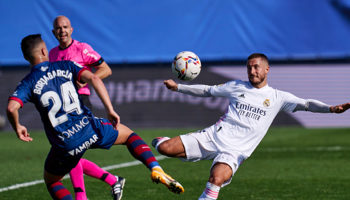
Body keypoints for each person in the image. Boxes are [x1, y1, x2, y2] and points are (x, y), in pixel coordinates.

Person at [7, 34, 184, 200]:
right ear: (44, 51)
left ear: (26, 57)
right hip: (88, 128)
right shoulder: (66, 65)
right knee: (130, 136)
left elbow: (11, 107)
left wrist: (18, 127)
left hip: (64, 142)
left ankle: (94, 189)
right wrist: (110, 109)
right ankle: (155, 168)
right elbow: (94, 78)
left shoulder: (27, 82)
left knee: (52, 181)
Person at [152, 53, 350, 200]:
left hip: (235, 151)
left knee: (216, 179)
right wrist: (178, 87)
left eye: (256, 67)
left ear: (266, 69)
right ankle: (161, 142)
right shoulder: (237, 86)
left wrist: (331, 109)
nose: (252, 71)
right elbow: (207, 91)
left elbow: (306, 104)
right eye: (249, 68)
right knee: (164, 149)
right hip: (213, 136)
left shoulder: (277, 97)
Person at [49, 15, 116, 200]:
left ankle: (82, 196)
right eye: (58, 28)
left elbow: (106, 69)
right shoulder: (53, 54)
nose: (62, 30)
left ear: (71, 30)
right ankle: (113, 180)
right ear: (53, 32)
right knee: (72, 151)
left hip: (80, 102)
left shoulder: (82, 49)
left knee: (73, 150)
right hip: (62, 108)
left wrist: (83, 80)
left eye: (65, 27)